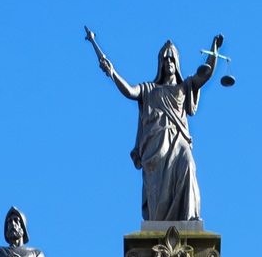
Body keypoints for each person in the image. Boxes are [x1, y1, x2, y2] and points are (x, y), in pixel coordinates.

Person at [86, 30, 223, 225]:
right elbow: (129, 91)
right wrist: (113, 73)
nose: (169, 63)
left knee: (189, 166)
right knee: (160, 196)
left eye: (172, 60)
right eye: (165, 60)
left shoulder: (184, 87)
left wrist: (214, 51)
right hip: (156, 145)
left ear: (177, 64)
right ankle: (160, 226)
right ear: (160, 64)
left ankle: (190, 217)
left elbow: (205, 74)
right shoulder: (149, 89)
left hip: (179, 140)